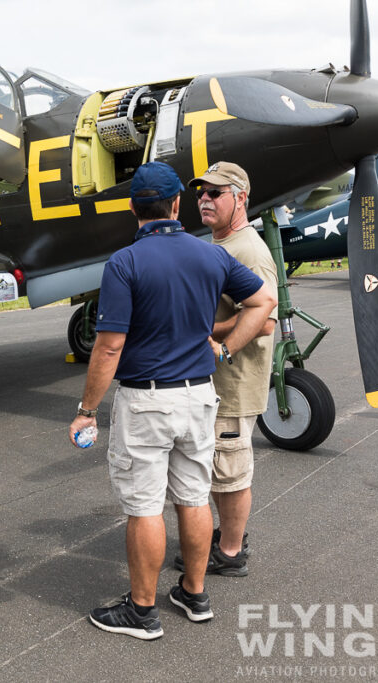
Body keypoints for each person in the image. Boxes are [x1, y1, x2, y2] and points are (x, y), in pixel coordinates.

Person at [68, 162, 276, 638]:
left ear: (132, 207)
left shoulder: (125, 263)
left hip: (147, 401)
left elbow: (109, 345)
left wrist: (86, 410)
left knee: (144, 506)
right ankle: (194, 592)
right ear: (177, 205)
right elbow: (264, 302)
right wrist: (224, 348)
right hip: (201, 397)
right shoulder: (211, 256)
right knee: (194, 496)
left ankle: (142, 610)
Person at [168, 162, 277, 578]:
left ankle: (230, 552)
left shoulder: (248, 249)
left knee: (229, 471)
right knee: (218, 468)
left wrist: (217, 340)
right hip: (216, 383)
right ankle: (225, 537)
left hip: (233, 383)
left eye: (216, 193)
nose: (205, 200)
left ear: (241, 199)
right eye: (201, 193)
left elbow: (265, 318)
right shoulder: (222, 244)